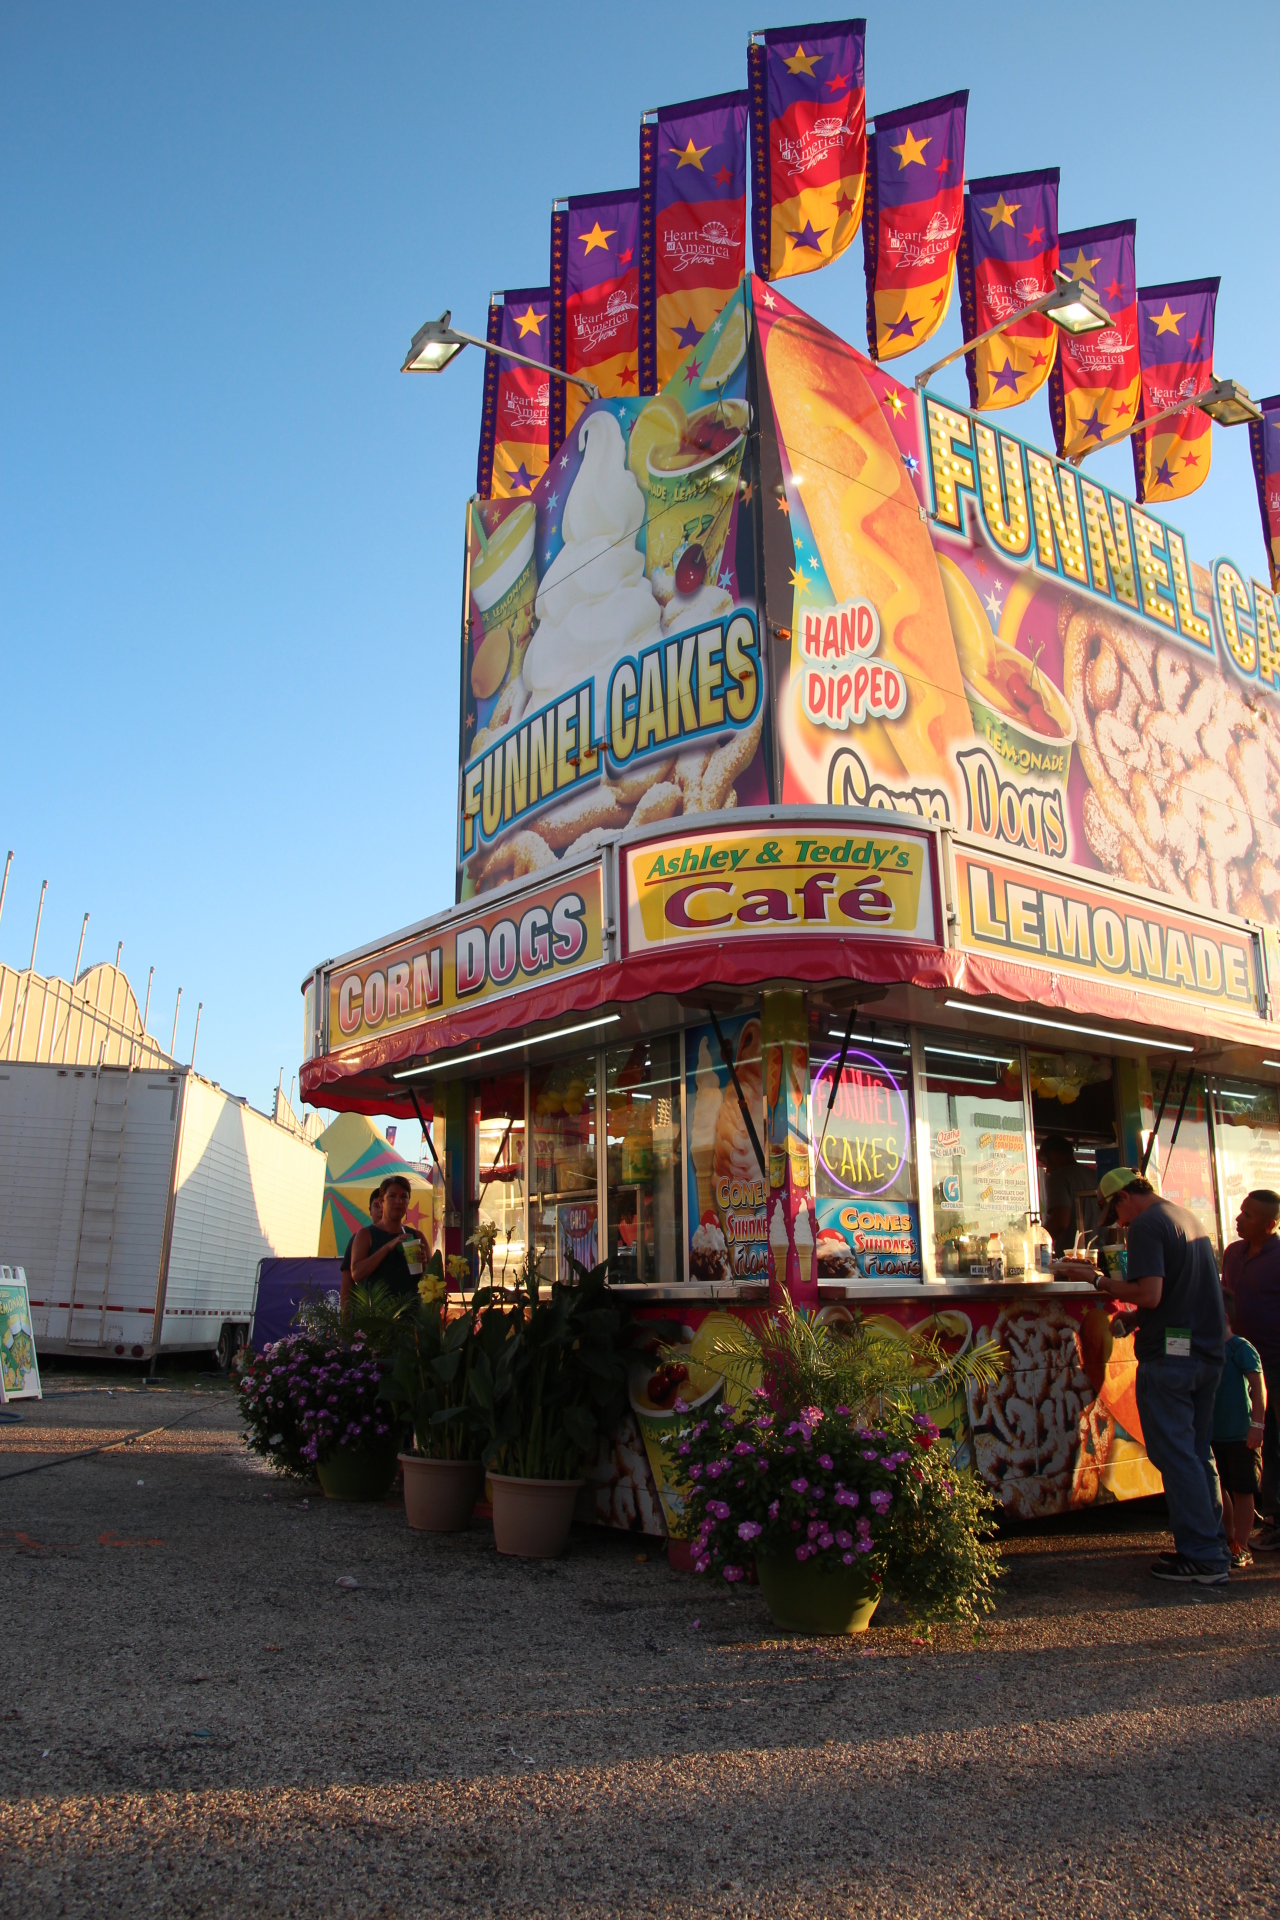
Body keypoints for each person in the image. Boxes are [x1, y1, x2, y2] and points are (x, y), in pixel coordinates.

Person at [1093, 1167, 1229, 1584]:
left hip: (1172, 1361)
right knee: (1197, 1452)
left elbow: (1150, 1293)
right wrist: (1135, 1320)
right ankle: (1212, 1545)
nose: (1120, 1224)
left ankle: (1204, 1557)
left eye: (1117, 1214)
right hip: (1204, 1353)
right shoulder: (1187, 1217)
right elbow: (1173, 1296)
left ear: (1123, 1198)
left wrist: (1097, 1280)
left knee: (1174, 1455)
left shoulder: (1148, 1225)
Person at [1220, 1188, 1280, 1550]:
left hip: (1275, 1361)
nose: (1240, 1219)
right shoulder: (1232, 1253)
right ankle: (1259, 1515)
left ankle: (1274, 1520)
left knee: (1274, 1439)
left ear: (1270, 1224)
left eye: (1250, 1215)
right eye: (1240, 1212)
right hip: (1237, 1361)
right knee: (1249, 1440)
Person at [1212, 1327, 1267, 1569]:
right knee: (1219, 1487)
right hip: (1215, 1433)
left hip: (1240, 1434)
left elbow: (1258, 1388)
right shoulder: (1207, 1347)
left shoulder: (1241, 1348)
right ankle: (1229, 1536)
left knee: (1243, 1490)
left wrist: (1257, 1425)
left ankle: (1242, 1546)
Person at [348, 1174, 424, 1304]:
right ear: (381, 1202)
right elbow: (356, 1273)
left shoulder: (416, 1236)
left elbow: (432, 1280)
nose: (398, 1201)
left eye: (403, 1197)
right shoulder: (366, 1235)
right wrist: (387, 1247)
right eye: (392, 1196)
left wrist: (425, 1264)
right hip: (376, 1318)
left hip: (410, 1317)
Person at [1040, 1136, 1093, 1256]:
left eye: (1045, 1162)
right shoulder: (1093, 1175)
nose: (1047, 1170)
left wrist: (1037, 1240)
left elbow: (1060, 1221)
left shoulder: (1058, 1178)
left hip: (1071, 1259)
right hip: (1099, 1254)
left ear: (1053, 1155)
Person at [339, 1185, 384, 1315]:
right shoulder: (358, 1239)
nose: (381, 1210)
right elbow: (347, 1283)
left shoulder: (406, 1237)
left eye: (383, 1205)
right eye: (376, 1206)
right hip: (366, 1316)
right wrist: (345, 1325)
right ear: (370, 1210)